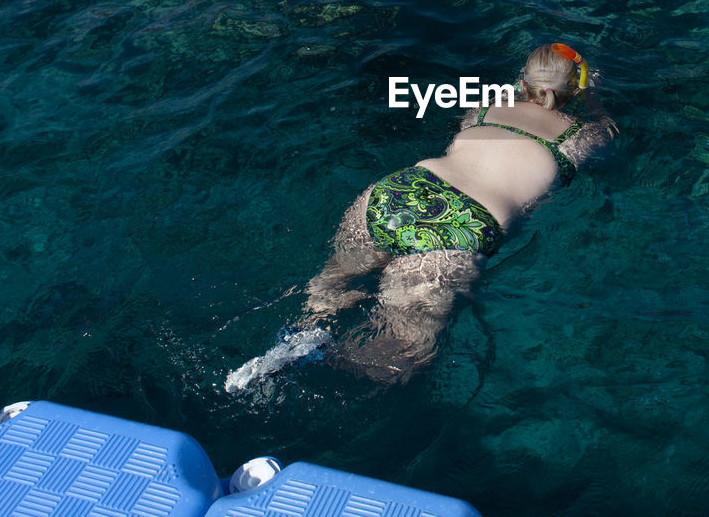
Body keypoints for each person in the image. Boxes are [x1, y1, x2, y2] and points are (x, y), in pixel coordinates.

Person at [225, 43, 615, 392]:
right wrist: (594, 102)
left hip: (397, 191)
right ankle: (317, 365)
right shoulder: (582, 136)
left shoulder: (483, 108)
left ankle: (293, 342)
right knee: (401, 353)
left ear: (521, 81)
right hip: (458, 227)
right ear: (576, 88)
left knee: (330, 288)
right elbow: (608, 133)